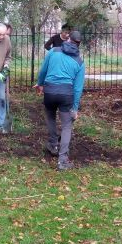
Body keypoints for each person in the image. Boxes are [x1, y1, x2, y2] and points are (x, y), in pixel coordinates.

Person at [35, 30, 85, 171]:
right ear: (78, 44)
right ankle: (62, 161)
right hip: (66, 95)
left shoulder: (54, 51)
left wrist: (40, 84)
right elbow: (77, 88)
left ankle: (53, 145)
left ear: (68, 39)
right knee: (67, 126)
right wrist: (74, 108)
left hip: (49, 92)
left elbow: (43, 70)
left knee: (50, 117)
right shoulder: (80, 62)